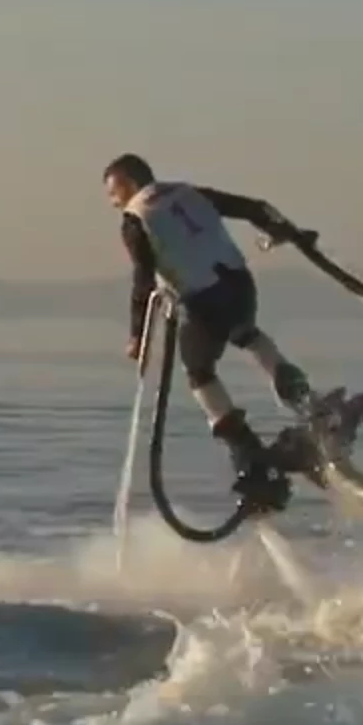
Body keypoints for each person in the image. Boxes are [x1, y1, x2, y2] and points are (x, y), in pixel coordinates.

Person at [102, 152, 321, 494]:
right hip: (239, 283)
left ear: (128, 184)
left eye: (113, 193)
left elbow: (143, 280)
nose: (112, 203)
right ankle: (310, 406)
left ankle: (246, 453)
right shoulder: (188, 192)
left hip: (203, 298)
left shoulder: (135, 219)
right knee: (248, 335)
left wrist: (135, 336)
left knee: (199, 371)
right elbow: (254, 207)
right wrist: (285, 231)